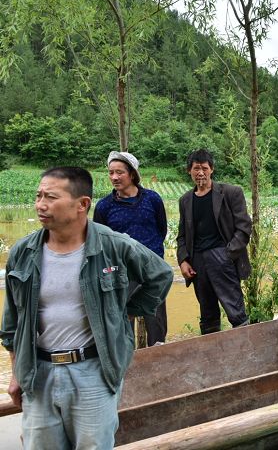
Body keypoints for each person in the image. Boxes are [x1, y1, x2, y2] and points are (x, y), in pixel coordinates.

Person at [1, 167, 172, 449]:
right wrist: (17, 372)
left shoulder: (113, 245)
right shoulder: (24, 252)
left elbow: (161, 275)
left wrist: (124, 311)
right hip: (39, 373)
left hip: (94, 371)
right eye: (38, 195)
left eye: (51, 197)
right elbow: (12, 322)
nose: (41, 204)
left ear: (82, 204)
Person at [94, 151, 169, 345]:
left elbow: (161, 230)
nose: (114, 177)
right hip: (122, 273)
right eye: (111, 173)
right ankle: (128, 366)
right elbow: (101, 243)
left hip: (153, 270)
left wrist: (150, 256)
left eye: (120, 172)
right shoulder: (104, 207)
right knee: (123, 323)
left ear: (132, 174)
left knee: (156, 322)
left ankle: (158, 361)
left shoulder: (152, 199)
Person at [177, 149, 252, 334]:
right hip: (198, 262)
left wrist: (227, 254)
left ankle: (246, 351)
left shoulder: (230, 193)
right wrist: (183, 260)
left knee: (236, 311)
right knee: (207, 314)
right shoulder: (185, 200)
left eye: (204, 168)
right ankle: (214, 356)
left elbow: (244, 228)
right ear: (189, 171)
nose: (200, 172)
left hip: (222, 256)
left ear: (212, 169)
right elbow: (181, 236)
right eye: (196, 168)